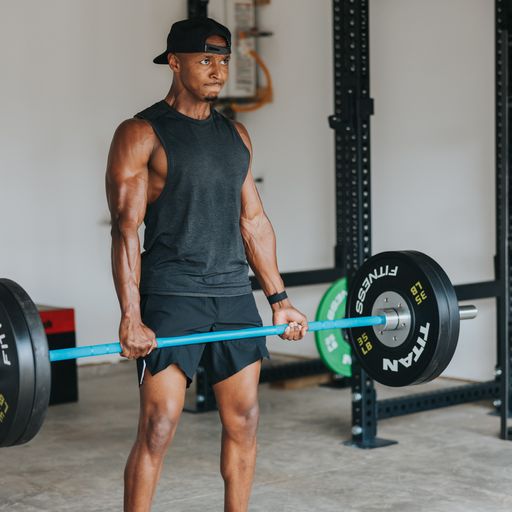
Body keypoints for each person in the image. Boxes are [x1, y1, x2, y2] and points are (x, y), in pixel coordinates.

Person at [105, 17, 308, 512]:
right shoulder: (141, 132)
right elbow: (126, 230)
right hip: (173, 295)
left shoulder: (235, 135)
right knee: (158, 426)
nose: (217, 70)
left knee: (245, 419)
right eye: (204, 60)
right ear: (175, 63)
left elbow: (254, 221)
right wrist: (131, 315)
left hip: (233, 296)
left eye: (222, 60)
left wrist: (279, 300)